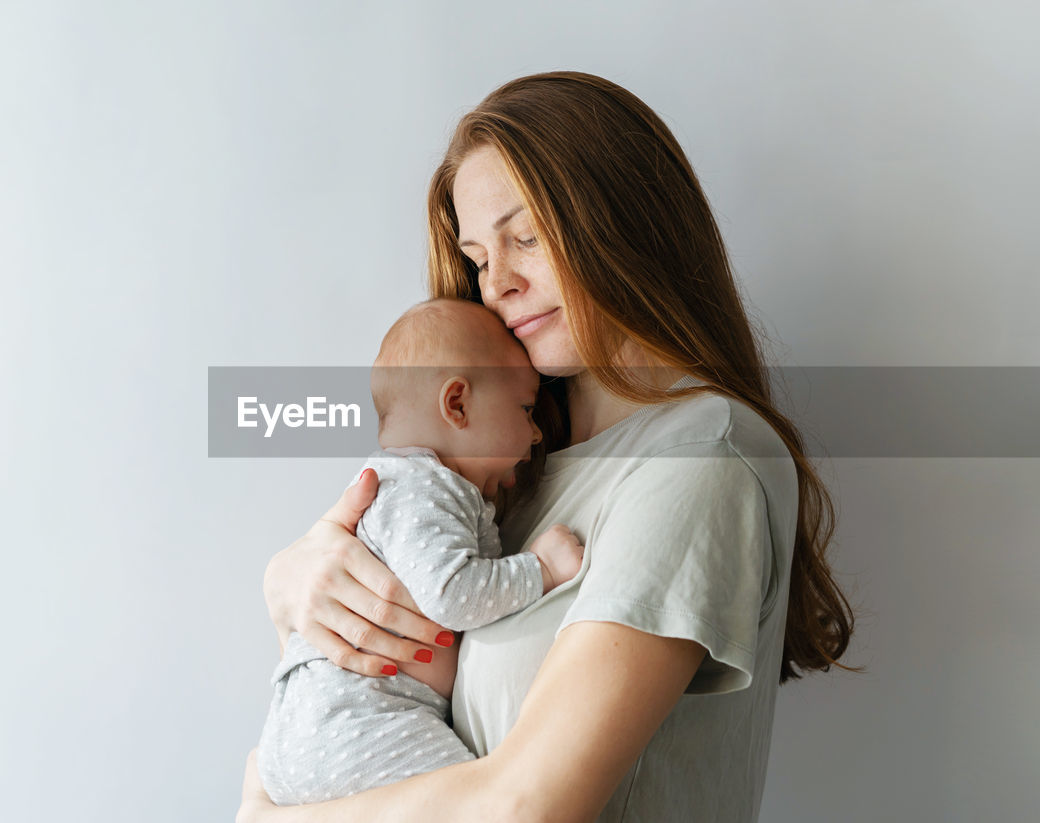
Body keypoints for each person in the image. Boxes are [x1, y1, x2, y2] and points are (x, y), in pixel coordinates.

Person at [239, 71, 855, 823]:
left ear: (623, 219)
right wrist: (291, 583)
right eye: (477, 257)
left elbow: (527, 807)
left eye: (524, 237)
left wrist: (270, 817)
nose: (497, 282)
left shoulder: (698, 457)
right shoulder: (498, 471)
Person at [256, 298, 584, 805]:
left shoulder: (404, 484)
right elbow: (451, 595)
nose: (536, 431)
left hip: (312, 730)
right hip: (360, 725)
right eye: (525, 409)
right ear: (456, 404)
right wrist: (539, 570)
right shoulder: (424, 486)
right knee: (477, 804)